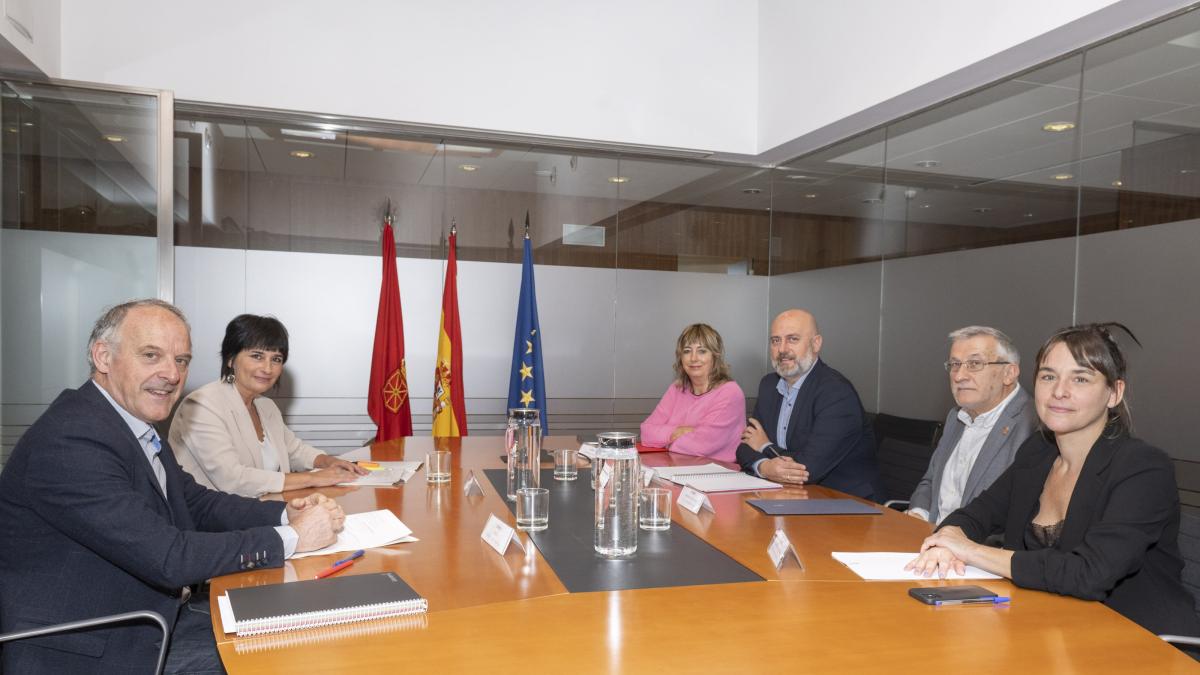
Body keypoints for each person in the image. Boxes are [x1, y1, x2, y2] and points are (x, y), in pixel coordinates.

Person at [0, 299, 346, 674]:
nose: (171, 373)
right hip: (94, 645)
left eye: (181, 360)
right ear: (103, 357)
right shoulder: (73, 438)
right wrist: (290, 539)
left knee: (303, 629)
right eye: (151, 355)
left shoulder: (131, 423)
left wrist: (283, 512)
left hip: (153, 614)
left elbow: (195, 503)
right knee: (283, 659)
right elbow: (169, 556)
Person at [906, 323, 1200, 637]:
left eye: (1081, 378)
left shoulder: (1144, 468)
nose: (1059, 391)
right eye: (1048, 376)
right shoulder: (1038, 452)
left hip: (1137, 639)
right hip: (1046, 626)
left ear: (1114, 393)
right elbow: (976, 513)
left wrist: (969, 551)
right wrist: (948, 540)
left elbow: (1087, 574)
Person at [170, 314, 366, 497]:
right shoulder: (201, 405)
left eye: (276, 359)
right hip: (213, 523)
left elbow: (294, 450)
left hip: (264, 508)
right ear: (231, 359)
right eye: (257, 356)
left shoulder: (266, 406)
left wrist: (329, 462)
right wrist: (314, 478)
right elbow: (232, 480)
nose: (267, 368)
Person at [736, 309, 882, 501]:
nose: (782, 349)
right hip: (789, 498)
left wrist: (764, 446)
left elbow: (807, 469)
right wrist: (764, 467)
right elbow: (744, 448)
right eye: (775, 340)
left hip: (846, 507)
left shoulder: (836, 393)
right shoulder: (769, 385)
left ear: (816, 343)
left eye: (793, 339)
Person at [906, 326, 1037, 524]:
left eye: (975, 363)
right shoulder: (956, 417)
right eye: (955, 364)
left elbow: (1023, 513)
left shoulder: (1035, 424)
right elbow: (930, 481)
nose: (959, 376)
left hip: (981, 548)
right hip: (930, 539)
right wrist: (919, 515)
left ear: (1009, 373)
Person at [640, 323, 746, 462]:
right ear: (680, 357)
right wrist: (677, 432)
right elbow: (646, 432)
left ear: (715, 356)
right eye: (687, 351)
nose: (694, 358)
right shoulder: (677, 389)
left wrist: (665, 438)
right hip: (676, 470)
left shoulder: (730, 393)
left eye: (702, 351)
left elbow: (701, 445)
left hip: (718, 476)